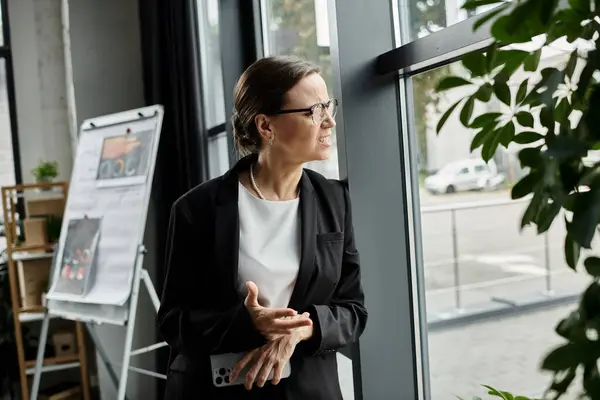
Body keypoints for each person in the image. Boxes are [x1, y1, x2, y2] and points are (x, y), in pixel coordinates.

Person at [158, 55, 368, 400]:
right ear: (266, 127)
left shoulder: (335, 200)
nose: (329, 121)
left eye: (329, 105)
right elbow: (173, 321)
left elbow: (353, 311)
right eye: (313, 111)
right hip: (218, 389)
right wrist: (246, 322)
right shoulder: (197, 209)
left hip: (307, 389)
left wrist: (300, 330)